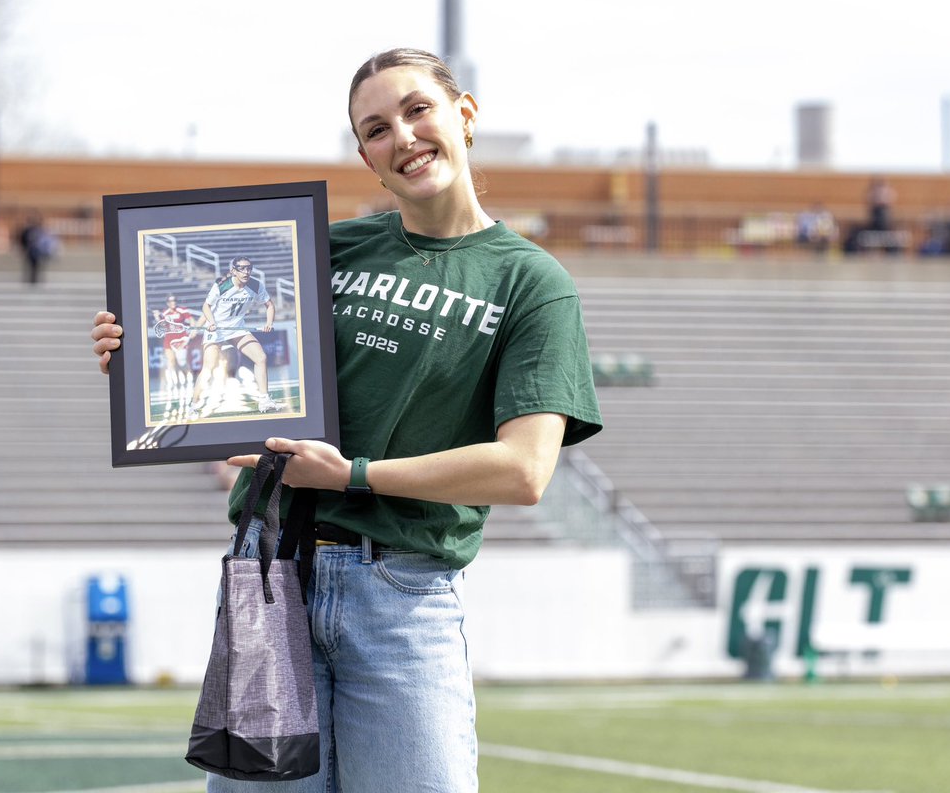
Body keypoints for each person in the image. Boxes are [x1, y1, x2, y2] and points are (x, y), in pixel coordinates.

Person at [91, 48, 602, 792]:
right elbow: (227, 378)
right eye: (376, 128)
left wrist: (354, 475)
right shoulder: (316, 251)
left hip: (401, 597)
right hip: (271, 578)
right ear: (365, 155)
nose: (403, 137)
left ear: (464, 115)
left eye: (417, 111)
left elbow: (524, 471)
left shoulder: (531, 282)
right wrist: (142, 361)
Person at [189, 258, 279, 416]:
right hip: (216, 330)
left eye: (249, 268)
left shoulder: (256, 285)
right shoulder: (222, 285)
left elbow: (269, 305)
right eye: (242, 269)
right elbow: (206, 306)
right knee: (208, 369)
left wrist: (269, 322)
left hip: (237, 328)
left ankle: (264, 400)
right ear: (233, 271)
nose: (246, 272)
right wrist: (210, 322)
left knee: (261, 357)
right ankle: (193, 407)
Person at [152, 294, 199, 415]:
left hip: (181, 340)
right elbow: (161, 325)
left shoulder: (182, 310)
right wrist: (157, 317)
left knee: (183, 363)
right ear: (167, 302)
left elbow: (192, 321)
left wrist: (193, 329)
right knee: (171, 363)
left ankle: (190, 381)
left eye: (174, 300)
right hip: (169, 340)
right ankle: (173, 387)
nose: (173, 302)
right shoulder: (165, 312)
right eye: (171, 301)